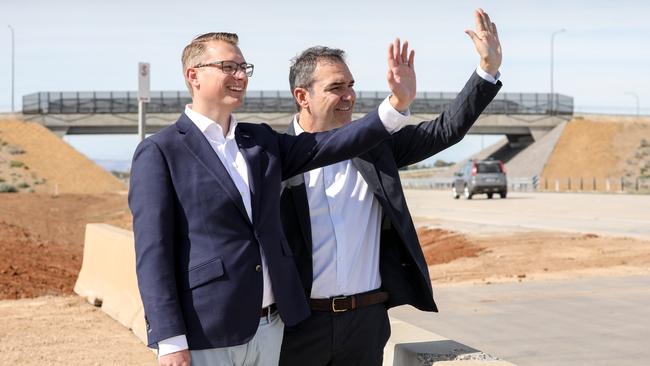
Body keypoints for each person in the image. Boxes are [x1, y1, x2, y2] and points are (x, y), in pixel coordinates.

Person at [129, 32, 418, 366]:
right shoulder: (161, 151)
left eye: (243, 67)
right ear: (193, 75)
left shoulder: (261, 141)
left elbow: (331, 143)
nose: (240, 76)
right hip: (207, 333)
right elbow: (153, 255)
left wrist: (395, 106)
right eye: (228, 67)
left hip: (272, 329)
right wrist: (169, 340)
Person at [278, 9, 503, 366]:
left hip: (365, 323)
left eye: (351, 85)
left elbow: (446, 130)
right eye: (336, 87)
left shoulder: (375, 147)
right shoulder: (273, 156)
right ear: (302, 96)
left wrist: (486, 70)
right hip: (298, 327)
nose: (349, 96)